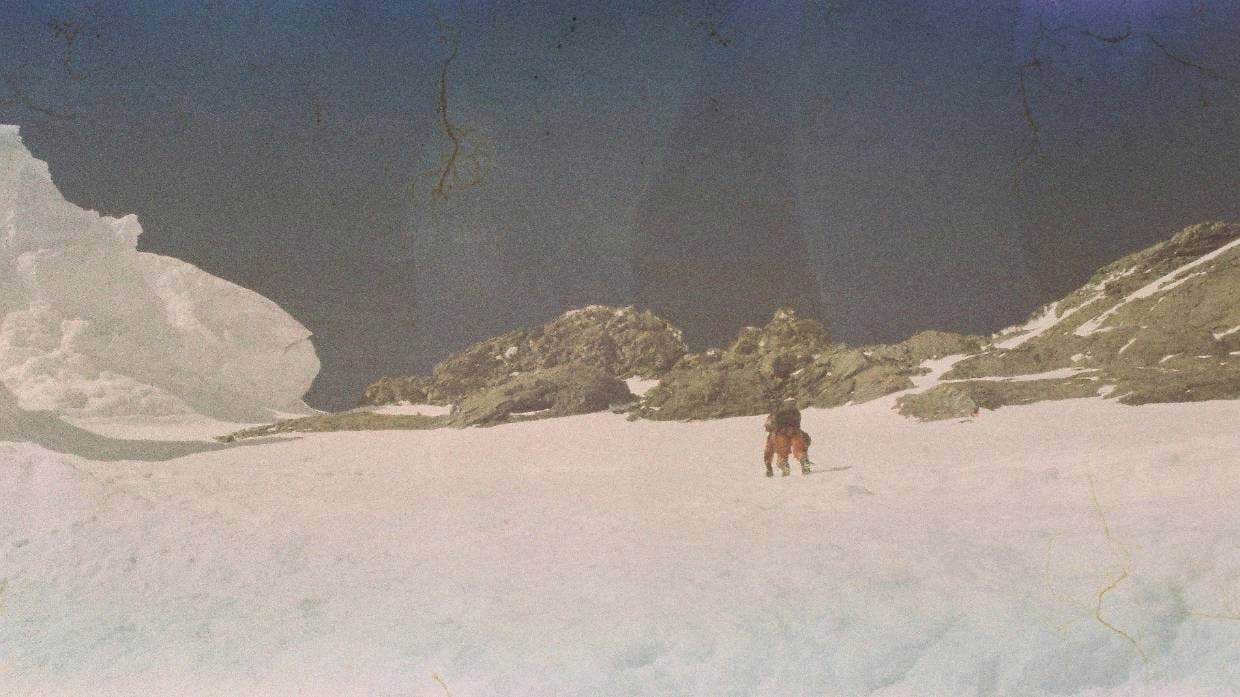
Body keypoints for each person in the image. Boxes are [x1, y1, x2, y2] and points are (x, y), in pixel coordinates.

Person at [764, 398, 812, 477]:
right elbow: (805, 439)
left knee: (782, 454)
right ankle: (804, 460)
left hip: (780, 435)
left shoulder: (772, 416)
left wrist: (768, 466)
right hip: (796, 432)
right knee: (800, 451)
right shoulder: (796, 413)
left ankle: (784, 466)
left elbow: (768, 451)